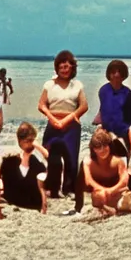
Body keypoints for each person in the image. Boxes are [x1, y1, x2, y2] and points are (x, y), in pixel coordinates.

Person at [38, 49, 88, 214]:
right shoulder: (49, 85)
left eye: (67, 67)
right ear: (56, 67)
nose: (64, 70)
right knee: (52, 158)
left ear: (72, 68)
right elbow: (42, 105)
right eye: (61, 66)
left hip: (71, 126)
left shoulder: (78, 85)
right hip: (53, 124)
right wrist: (52, 118)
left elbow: (83, 106)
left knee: (71, 160)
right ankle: (53, 190)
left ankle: (69, 189)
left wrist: (68, 119)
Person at [0, 122, 49, 213]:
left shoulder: (36, 160)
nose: (31, 144)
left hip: (21, 200)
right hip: (25, 201)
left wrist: (39, 147)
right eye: (30, 141)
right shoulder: (13, 160)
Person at [82, 130, 131, 217]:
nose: (102, 150)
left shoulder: (118, 161)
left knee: (126, 196)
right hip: (101, 193)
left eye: (105, 146)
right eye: (98, 147)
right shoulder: (88, 161)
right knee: (98, 195)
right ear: (93, 149)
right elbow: (88, 181)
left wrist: (111, 190)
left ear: (109, 146)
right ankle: (107, 208)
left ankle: (117, 206)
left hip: (117, 191)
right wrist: (104, 190)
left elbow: (124, 180)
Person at [96, 59, 131, 153]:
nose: (117, 75)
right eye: (113, 72)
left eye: (120, 72)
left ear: (123, 76)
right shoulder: (103, 90)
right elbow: (103, 109)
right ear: (109, 74)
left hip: (123, 132)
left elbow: (130, 117)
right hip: (105, 132)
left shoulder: (128, 94)